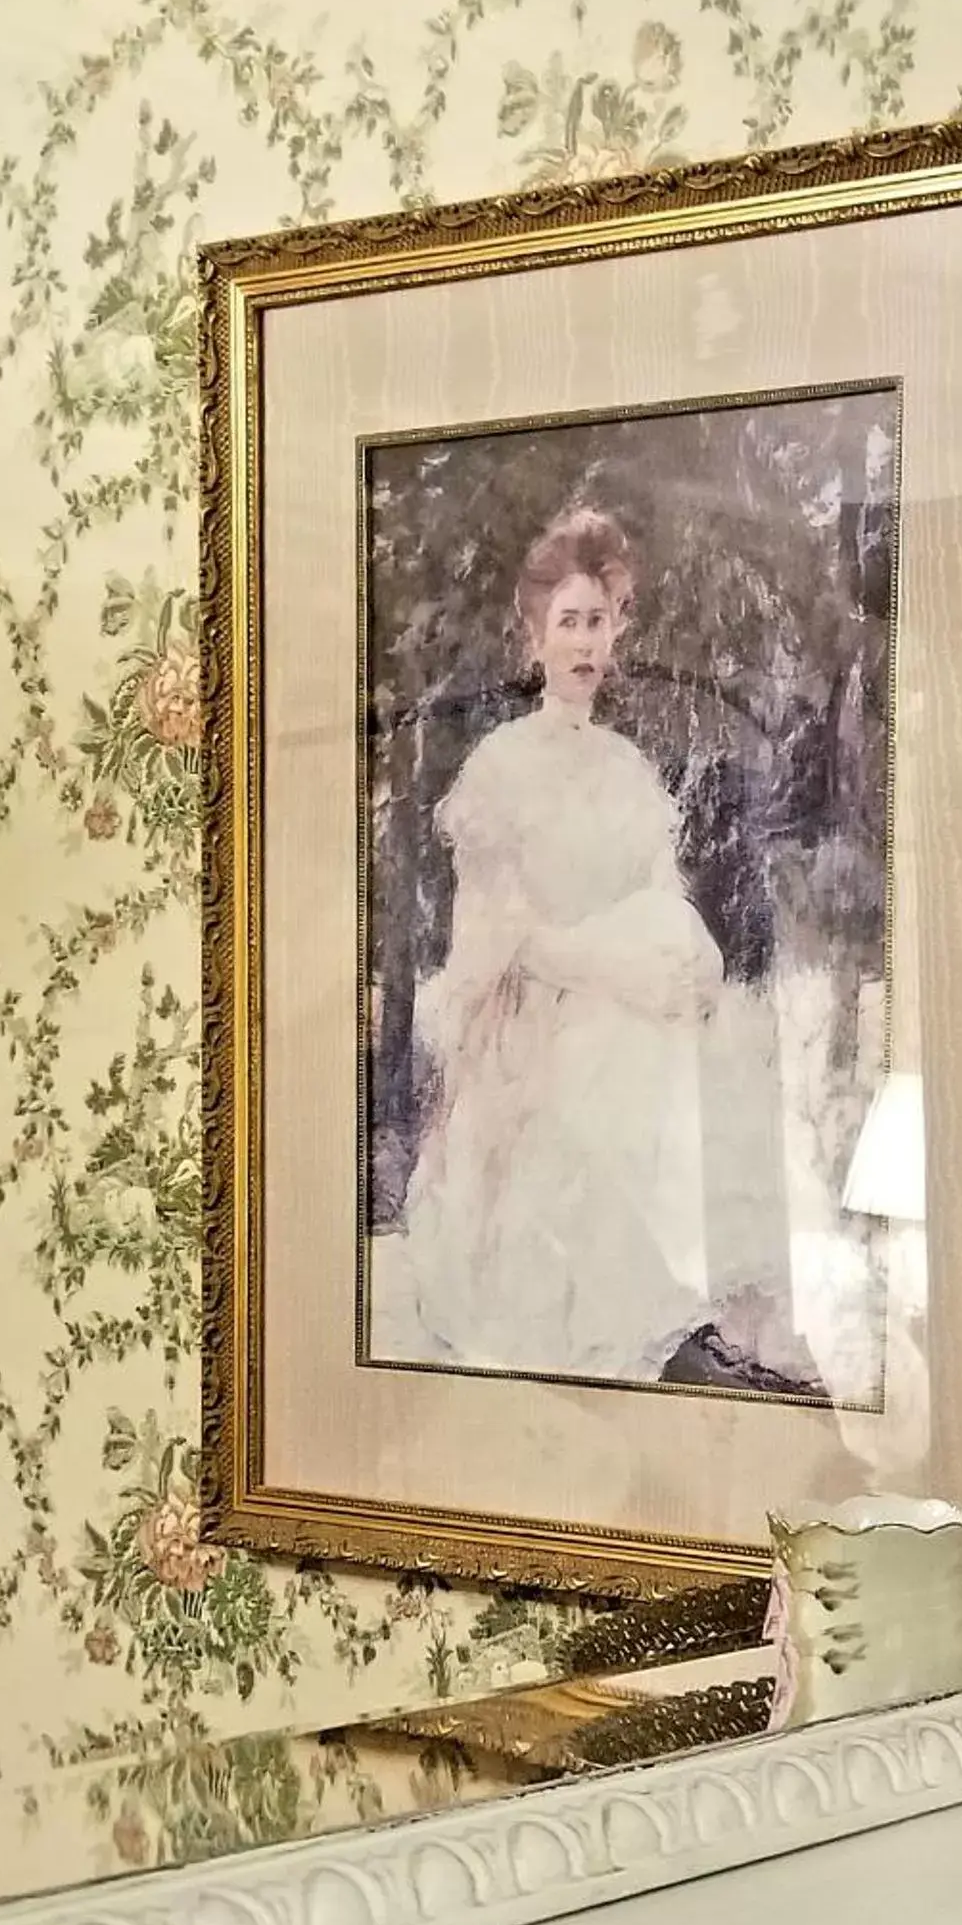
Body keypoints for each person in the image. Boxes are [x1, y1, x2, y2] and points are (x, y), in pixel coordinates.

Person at [379, 507, 742, 1386]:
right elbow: (501, 939)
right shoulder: (501, 769)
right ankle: (618, 1319)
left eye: (600, 620)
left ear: (618, 632)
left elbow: (664, 894)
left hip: (627, 1013)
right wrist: (611, 971)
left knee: (683, 1026)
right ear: (533, 638)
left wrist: (693, 961)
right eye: (568, 622)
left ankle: (666, 1310)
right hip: (529, 1018)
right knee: (606, 1048)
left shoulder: (628, 770)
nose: (586, 641)